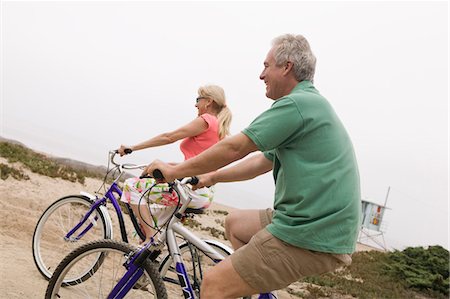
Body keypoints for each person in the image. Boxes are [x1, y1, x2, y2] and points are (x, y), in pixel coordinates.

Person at [143, 34, 361, 298]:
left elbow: (237, 147)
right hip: (312, 221)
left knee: (213, 286)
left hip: (310, 229)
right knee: (236, 223)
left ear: (287, 66)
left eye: (266, 66)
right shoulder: (309, 105)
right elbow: (261, 161)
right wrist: (211, 177)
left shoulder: (296, 104)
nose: (261, 75)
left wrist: (174, 171)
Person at [118, 84, 232, 243]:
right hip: (203, 192)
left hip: (190, 189)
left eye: (198, 99)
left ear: (209, 102)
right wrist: (169, 166)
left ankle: (150, 239)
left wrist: (133, 147)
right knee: (148, 221)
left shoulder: (206, 120)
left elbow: (169, 137)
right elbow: (198, 163)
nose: (195, 104)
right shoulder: (219, 127)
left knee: (131, 186)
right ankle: (150, 253)